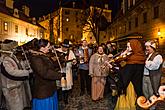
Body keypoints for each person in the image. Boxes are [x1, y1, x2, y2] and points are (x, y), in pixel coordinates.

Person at [29, 39, 62, 110]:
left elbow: (51, 65)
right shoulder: (36, 58)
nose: (50, 48)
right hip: (43, 90)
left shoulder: (43, 55)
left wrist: (62, 60)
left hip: (50, 88)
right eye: (48, 46)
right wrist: (59, 75)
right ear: (42, 47)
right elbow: (45, 72)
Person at [0, 39, 32, 110]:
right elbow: (12, 72)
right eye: (14, 47)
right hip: (11, 88)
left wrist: (27, 64)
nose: (16, 49)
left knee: (20, 107)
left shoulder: (13, 56)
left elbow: (19, 66)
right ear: (9, 48)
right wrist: (27, 72)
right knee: (15, 107)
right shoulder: (5, 59)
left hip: (17, 86)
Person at [115, 39, 145, 110]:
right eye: (127, 47)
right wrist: (124, 54)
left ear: (134, 47)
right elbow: (117, 61)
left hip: (129, 84)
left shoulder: (132, 60)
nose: (127, 49)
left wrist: (116, 69)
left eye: (128, 47)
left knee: (128, 102)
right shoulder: (140, 57)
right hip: (136, 84)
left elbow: (125, 72)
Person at [56, 39, 76, 104]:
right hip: (59, 71)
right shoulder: (57, 51)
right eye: (64, 47)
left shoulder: (70, 52)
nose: (65, 49)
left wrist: (74, 62)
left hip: (67, 71)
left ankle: (65, 99)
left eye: (66, 47)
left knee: (66, 86)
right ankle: (58, 98)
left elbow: (74, 60)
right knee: (59, 85)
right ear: (61, 46)